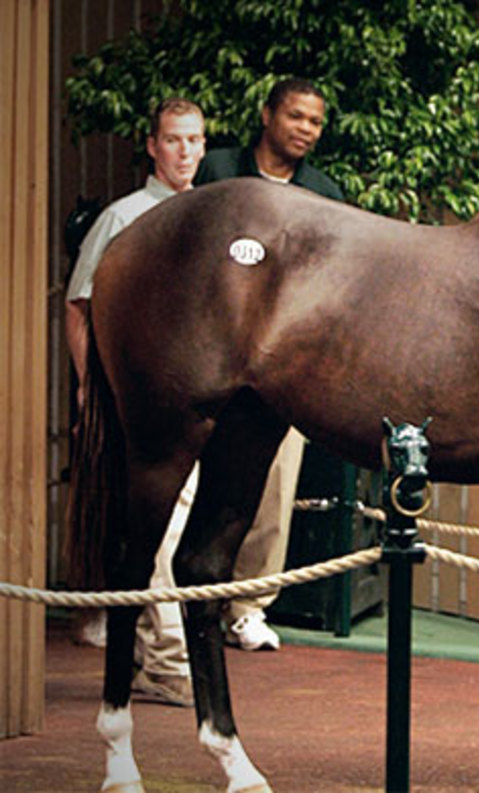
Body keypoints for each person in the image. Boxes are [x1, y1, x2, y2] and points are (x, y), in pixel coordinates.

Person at [65, 97, 207, 707]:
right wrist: (89, 385)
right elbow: (79, 304)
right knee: (165, 521)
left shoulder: (214, 212)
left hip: (205, 395)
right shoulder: (123, 217)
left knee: (189, 520)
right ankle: (168, 659)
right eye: (173, 140)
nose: (184, 151)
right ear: (152, 146)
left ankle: (161, 653)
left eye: (194, 140)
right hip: (144, 393)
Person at [194, 76, 344, 651]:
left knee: (275, 486)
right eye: (297, 117)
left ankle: (249, 606)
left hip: (283, 367)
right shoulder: (219, 171)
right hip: (208, 353)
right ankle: (173, 602)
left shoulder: (324, 192)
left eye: (315, 122)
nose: (306, 129)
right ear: (267, 115)